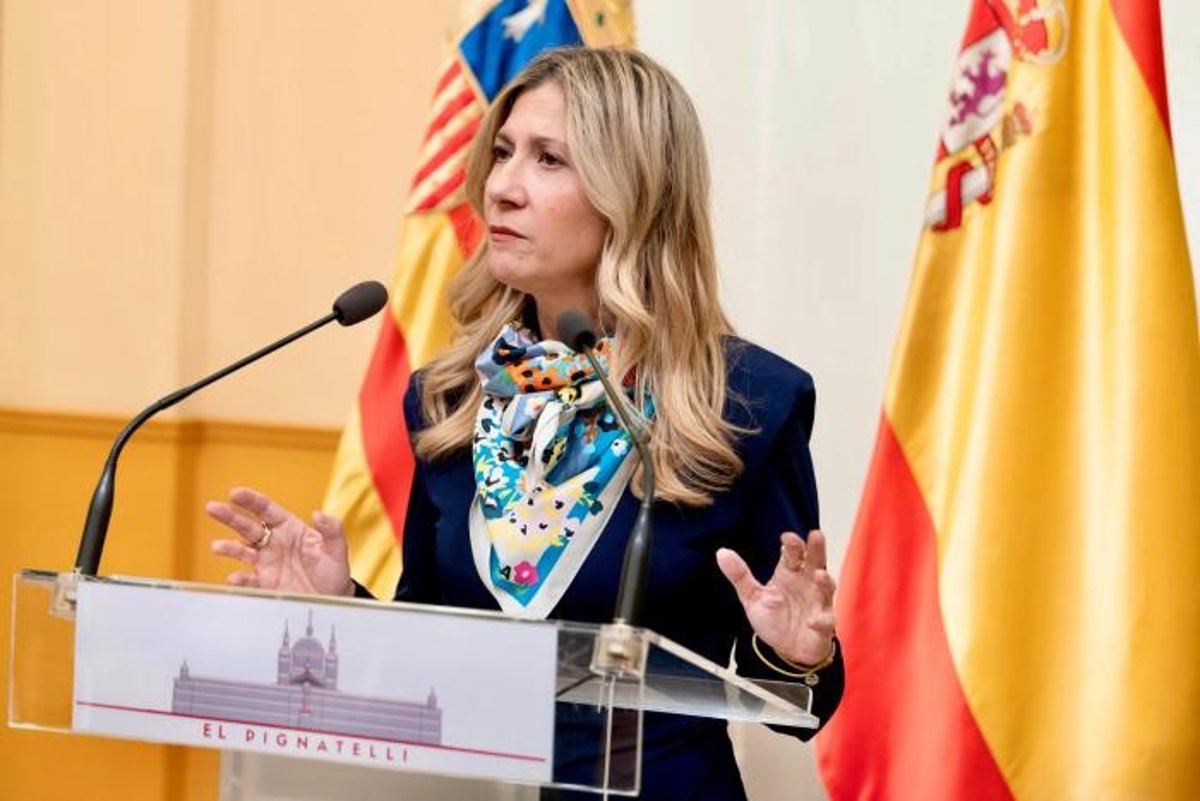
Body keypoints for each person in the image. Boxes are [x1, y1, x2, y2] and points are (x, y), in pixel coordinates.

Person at [208, 46, 842, 800]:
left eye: (548, 160)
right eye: (503, 152)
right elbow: (430, 640)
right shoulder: (450, 399)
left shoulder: (745, 403)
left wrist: (797, 656)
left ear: (634, 193)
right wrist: (343, 604)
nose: (502, 188)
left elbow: (801, 708)